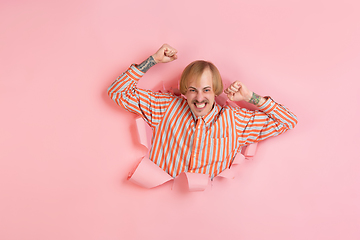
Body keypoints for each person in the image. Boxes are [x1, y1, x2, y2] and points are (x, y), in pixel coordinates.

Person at [108, 44, 297, 179]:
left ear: (215, 91)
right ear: (185, 91)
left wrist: (250, 97)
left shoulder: (235, 121)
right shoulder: (165, 107)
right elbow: (117, 92)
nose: (199, 98)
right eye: (193, 90)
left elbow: (287, 121)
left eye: (206, 90)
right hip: (157, 210)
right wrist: (153, 60)